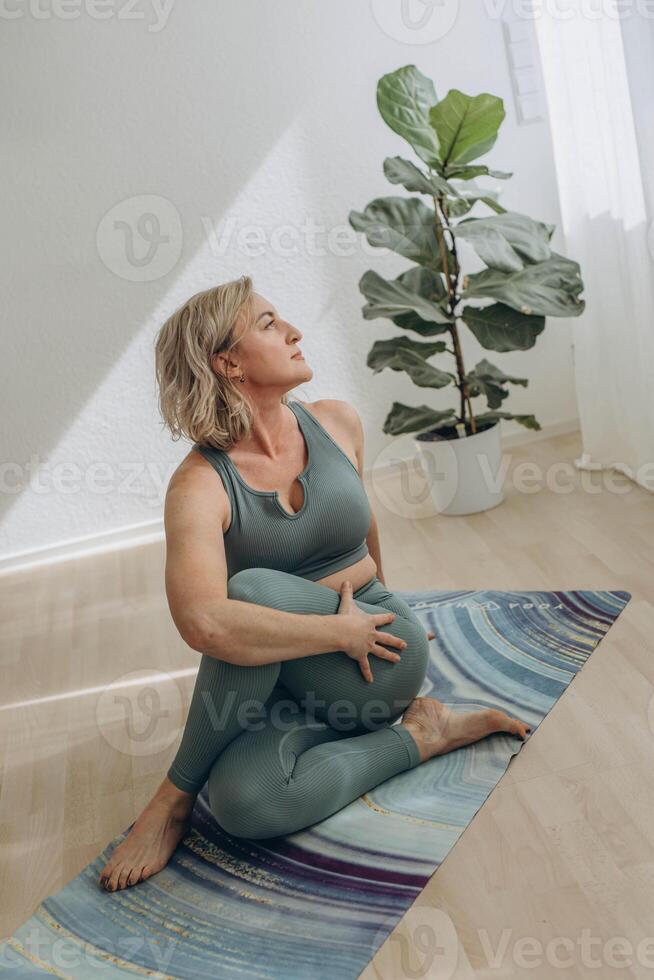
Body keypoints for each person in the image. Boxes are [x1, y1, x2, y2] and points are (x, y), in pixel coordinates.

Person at [99, 275, 530, 892]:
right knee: (248, 805)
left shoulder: (337, 422)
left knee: (246, 593)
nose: (295, 331)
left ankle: (169, 800)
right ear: (227, 362)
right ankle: (423, 737)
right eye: (270, 324)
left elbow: (367, 533)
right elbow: (200, 624)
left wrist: (382, 614)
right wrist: (333, 629)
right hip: (295, 671)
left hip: (376, 654)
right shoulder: (199, 485)